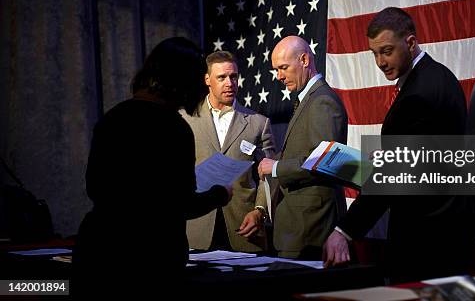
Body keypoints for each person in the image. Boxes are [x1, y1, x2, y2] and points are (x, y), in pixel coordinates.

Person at [322, 7, 475, 282]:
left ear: (410, 42)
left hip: (428, 239)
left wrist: (344, 231)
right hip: (449, 231)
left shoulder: (417, 94)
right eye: (374, 53)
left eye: (386, 50)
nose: (380, 61)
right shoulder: (441, 77)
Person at [73, 37, 232, 295]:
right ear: (185, 82)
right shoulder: (174, 129)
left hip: (98, 253)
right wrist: (220, 194)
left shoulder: (112, 118)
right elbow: (182, 204)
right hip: (150, 264)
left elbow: (94, 187)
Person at [258, 36, 348, 259]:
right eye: (276, 70)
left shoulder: (322, 101)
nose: (279, 76)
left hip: (310, 228)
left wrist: (276, 167)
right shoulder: (308, 99)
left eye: (283, 68)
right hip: (299, 227)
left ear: (305, 60)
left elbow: (326, 161)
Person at [179, 51, 276, 252]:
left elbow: (269, 174)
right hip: (197, 228)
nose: (229, 83)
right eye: (221, 77)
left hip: (244, 229)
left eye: (233, 76)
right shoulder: (185, 119)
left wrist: (259, 211)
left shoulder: (258, 122)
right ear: (207, 79)